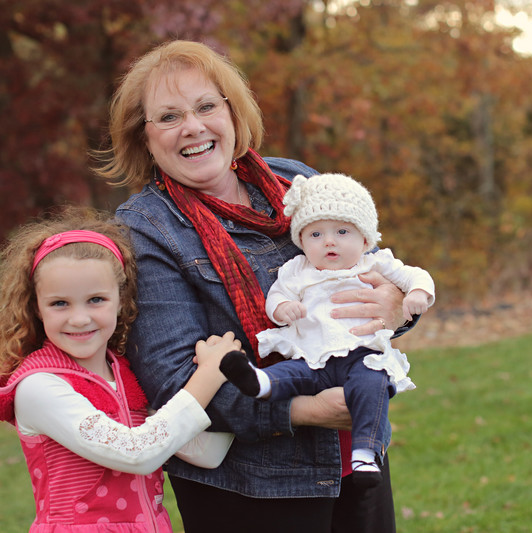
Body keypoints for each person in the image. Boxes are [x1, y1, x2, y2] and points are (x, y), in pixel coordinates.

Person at [93, 40, 417, 532]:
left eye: (206, 106)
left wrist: (395, 308)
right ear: (145, 138)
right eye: (168, 116)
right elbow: (174, 380)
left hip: (356, 454)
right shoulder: (145, 229)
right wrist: (307, 410)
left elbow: (368, 273)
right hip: (250, 485)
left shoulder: (296, 183)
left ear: (233, 111)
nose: (193, 127)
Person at [0, 207, 242, 532]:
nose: (79, 318)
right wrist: (207, 377)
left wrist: (239, 377)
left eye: (96, 299)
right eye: (59, 303)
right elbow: (137, 453)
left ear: (121, 299)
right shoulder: (38, 386)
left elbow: (207, 453)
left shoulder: (126, 374)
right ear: (36, 306)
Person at [220, 173, 435, 489]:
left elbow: (417, 275)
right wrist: (281, 309)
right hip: (314, 357)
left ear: (364, 239)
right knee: (291, 373)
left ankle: (365, 452)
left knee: (372, 386)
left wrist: (415, 294)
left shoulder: (373, 263)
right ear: (302, 241)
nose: (329, 241)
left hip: (362, 357)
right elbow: (278, 295)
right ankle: (259, 382)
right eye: (316, 234)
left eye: (342, 231)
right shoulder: (296, 270)